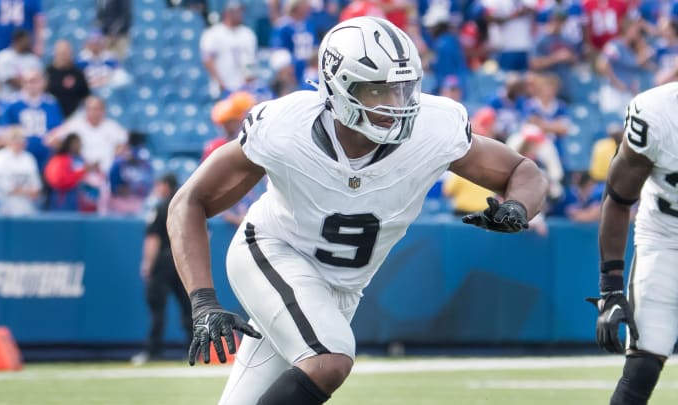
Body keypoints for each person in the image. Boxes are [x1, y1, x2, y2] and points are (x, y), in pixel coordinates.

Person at [167, 17, 547, 405]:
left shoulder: (436, 128)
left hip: (342, 289)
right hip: (272, 251)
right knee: (330, 359)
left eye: (403, 88)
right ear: (337, 87)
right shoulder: (286, 128)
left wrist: (517, 207)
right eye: (376, 91)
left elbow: (523, 171)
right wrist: (203, 302)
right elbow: (189, 201)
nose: (395, 104)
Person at [587, 82, 678, 404]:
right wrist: (610, 288)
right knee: (642, 366)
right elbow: (618, 198)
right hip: (668, 235)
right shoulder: (658, 115)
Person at [132, 173, 192, 366]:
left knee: (157, 307)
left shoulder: (160, 207)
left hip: (164, 261)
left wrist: (147, 263)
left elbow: (153, 238)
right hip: (184, 260)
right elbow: (204, 234)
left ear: (165, 185)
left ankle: (153, 350)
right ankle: (195, 350)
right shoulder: (188, 206)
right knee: (189, 306)